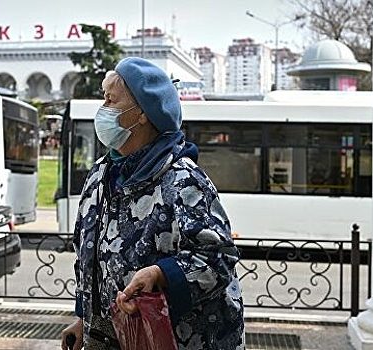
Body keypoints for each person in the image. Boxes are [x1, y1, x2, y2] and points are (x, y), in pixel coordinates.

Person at [60, 57, 245, 350]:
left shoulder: (183, 180)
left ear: (141, 114)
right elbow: (89, 257)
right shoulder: (100, 174)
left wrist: (161, 275)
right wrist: (84, 319)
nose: (102, 109)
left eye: (111, 100)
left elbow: (218, 259)